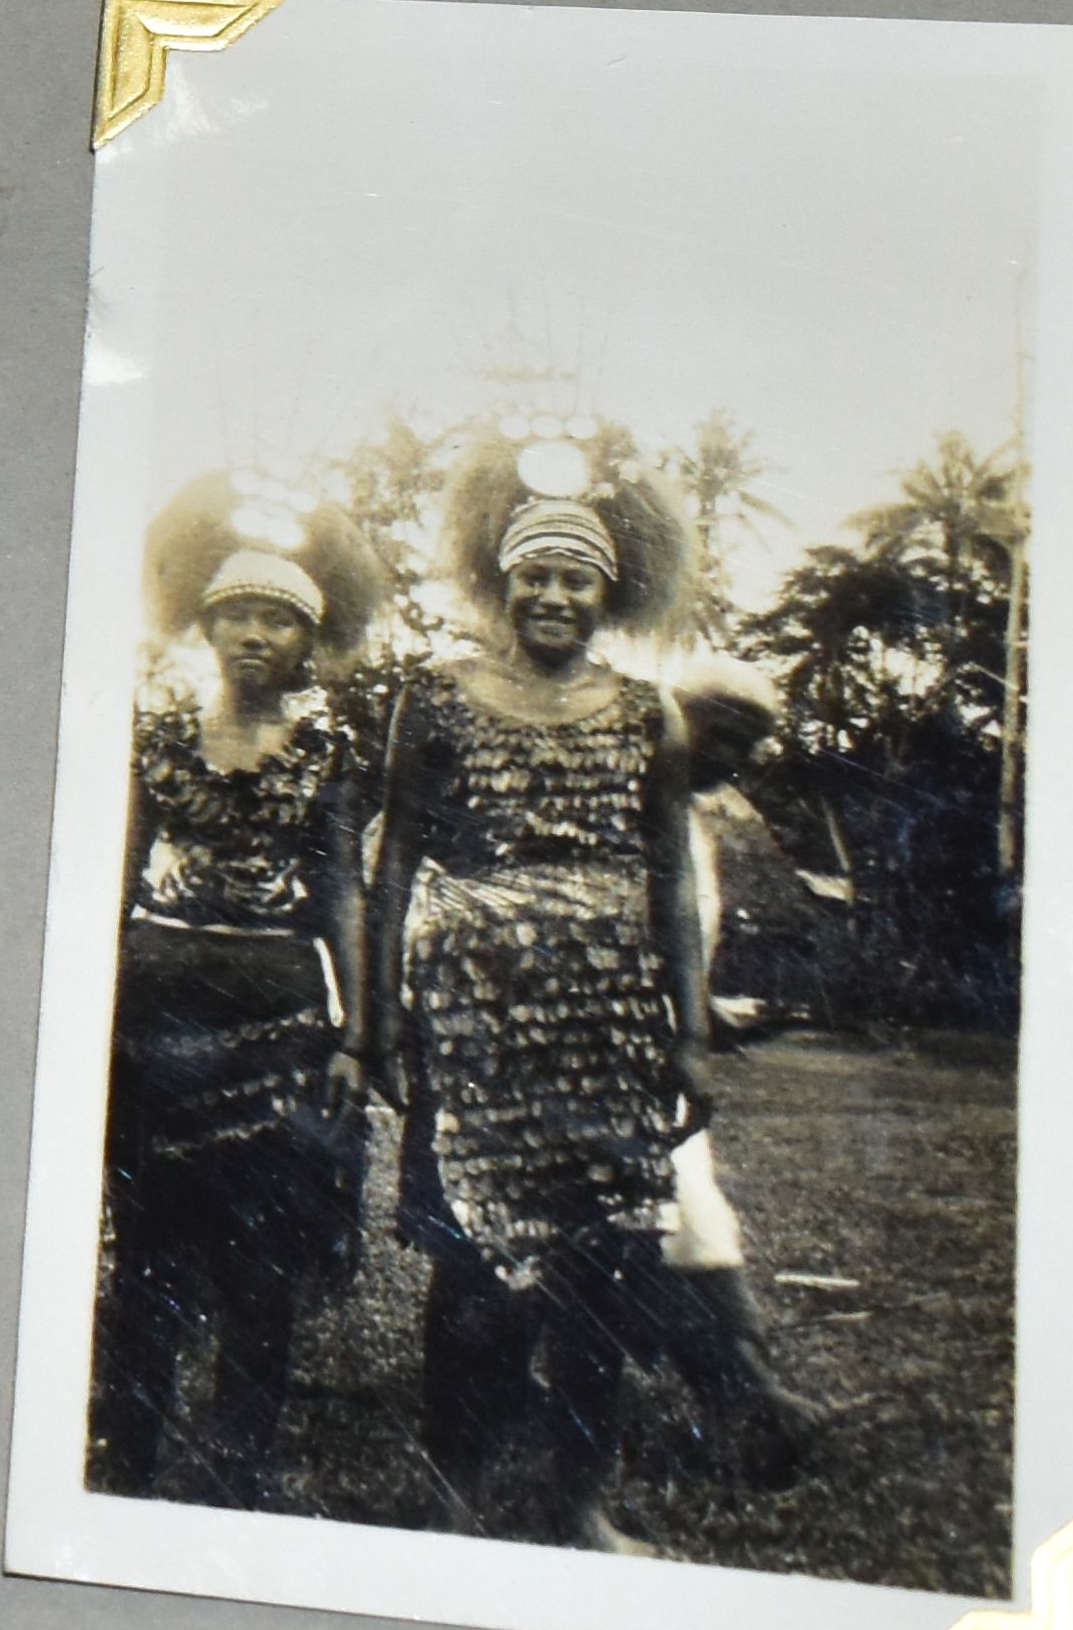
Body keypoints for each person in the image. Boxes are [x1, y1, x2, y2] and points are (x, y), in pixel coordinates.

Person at [356, 442, 724, 1551]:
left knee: (602, 1279)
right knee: (469, 1278)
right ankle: (452, 1498)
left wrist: (691, 1034)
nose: (555, 595)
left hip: (609, 1033)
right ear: (504, 582)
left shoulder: (648, 713)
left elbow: (672, 882)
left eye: (578, 577)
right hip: (472, 1038)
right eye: (537, 574)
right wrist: (377, 1020)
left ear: (607, 592)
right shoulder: (434, 701)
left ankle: (579, 1503)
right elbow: (393, 871)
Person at [93, 482, 378, 1508]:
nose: (255, 634)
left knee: (263, 1265)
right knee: (150, 1256)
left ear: (308, 639)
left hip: (281, 1021)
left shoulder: (329, 750)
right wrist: (98, 1003)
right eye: (238, 613)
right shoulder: (157, 734)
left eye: (279, 619)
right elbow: (120, 871)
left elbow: (344, 885)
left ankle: (241, 1469)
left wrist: (358, 1037)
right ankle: (125, 1463)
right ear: (207, 625)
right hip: (156, 1020)